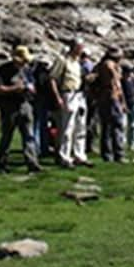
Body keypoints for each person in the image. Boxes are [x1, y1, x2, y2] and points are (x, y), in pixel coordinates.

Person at [0, 45, 40, 173]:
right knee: (7, 135)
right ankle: (1, 163)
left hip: (25, 104)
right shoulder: (4, 70)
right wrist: (14, 89)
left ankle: (32, 163)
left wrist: (31, 89)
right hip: (9, 107)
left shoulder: (27, 70)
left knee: (29, 135)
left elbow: (33, 85)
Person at [49, 38, 90, 169]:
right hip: (67, 93)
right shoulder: (62, 61)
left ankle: (79, 155)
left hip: (78, 94)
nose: (82, 49)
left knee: (80, 126)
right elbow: (53, 79)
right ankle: (64, 156)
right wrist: (58, 97)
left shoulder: (77, 63)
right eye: (80, 47)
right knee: (67, 127)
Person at [93, 48, 127, 163]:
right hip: (109, 98)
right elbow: (114, 82)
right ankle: (116, 153)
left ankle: (110, 153)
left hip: (110, 98)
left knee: (109, 126)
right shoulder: (108, 65)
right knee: (114, 125)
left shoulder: (104, 65)